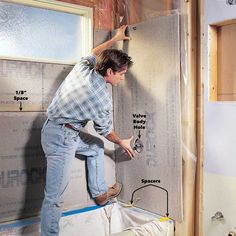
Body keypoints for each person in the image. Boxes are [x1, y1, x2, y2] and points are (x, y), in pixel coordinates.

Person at [40, 25, 135, 236]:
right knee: (54, 199)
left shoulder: (83, 68)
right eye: (122, 74)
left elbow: (93, 53)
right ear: (109, 72)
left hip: (53, 128)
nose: (123, 78)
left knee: (94, 147)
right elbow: (106, 130)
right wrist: (121, 142)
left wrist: (115, 39)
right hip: (62, 139)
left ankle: (100, 194)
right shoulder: (101, 98)